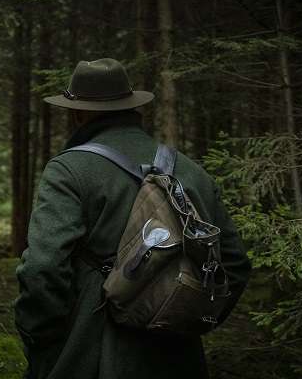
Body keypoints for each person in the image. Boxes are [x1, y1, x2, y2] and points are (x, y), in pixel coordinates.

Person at [14, 58, 251, 379]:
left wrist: (40, 336)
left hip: (89, 352)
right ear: (129, 107)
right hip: (179, 357)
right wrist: (189, 316)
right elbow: (234, 264)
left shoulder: (69, 170)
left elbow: (43, 269)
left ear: (79, 113)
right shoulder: (191, 171)